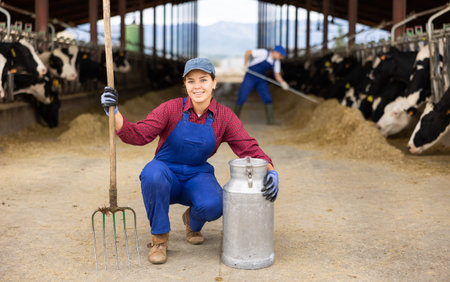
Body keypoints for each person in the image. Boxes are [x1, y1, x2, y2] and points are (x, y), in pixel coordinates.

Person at [100, 57, 279, 265]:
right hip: (166, 173)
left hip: (197, 174)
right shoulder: (170, 109)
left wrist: (270, 169)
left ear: (214, 82)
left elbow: (248, 147)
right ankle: (159, 241)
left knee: (215, 204)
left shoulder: (225, 117)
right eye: (191, 81)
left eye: (203, 80)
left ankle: (192, 222)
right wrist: (114, 112)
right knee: (152, 174)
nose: (197, 87)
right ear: (185, 85)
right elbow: (139, 134)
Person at [234, 45, 289, 125]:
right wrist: (245, 65)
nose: (281, 57)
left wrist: (283, 83)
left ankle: (271, 121)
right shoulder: (264, 53)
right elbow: (248, 52)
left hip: (261, 78)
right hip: (250, 76)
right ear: (276, 52)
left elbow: (277, 75)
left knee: (268, 98)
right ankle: (233, 121)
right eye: (281, 55)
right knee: (242, 97)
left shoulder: (276, 62)